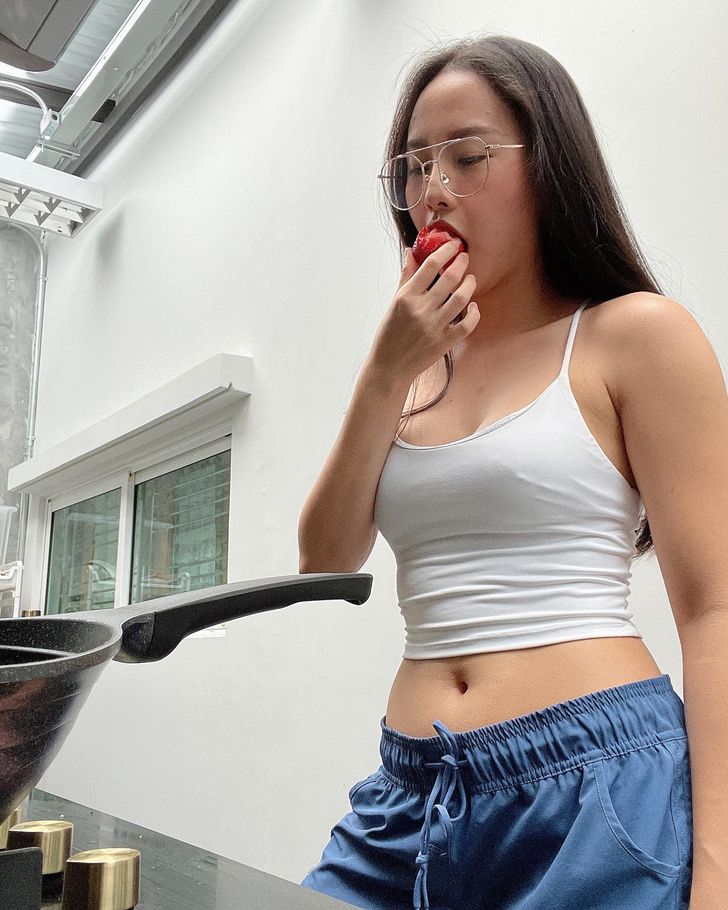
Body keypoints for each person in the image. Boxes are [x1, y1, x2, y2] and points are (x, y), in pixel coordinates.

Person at [297, 33, 727, 910]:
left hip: (594, 788)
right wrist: (384, 371)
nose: (434, 190)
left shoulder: (633, 335)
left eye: (468, 156)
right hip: (410, 793)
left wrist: (718, 872)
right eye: (414, 166)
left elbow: (714, 610)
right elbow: (324, 561)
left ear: (550, 169)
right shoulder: (411, 373)